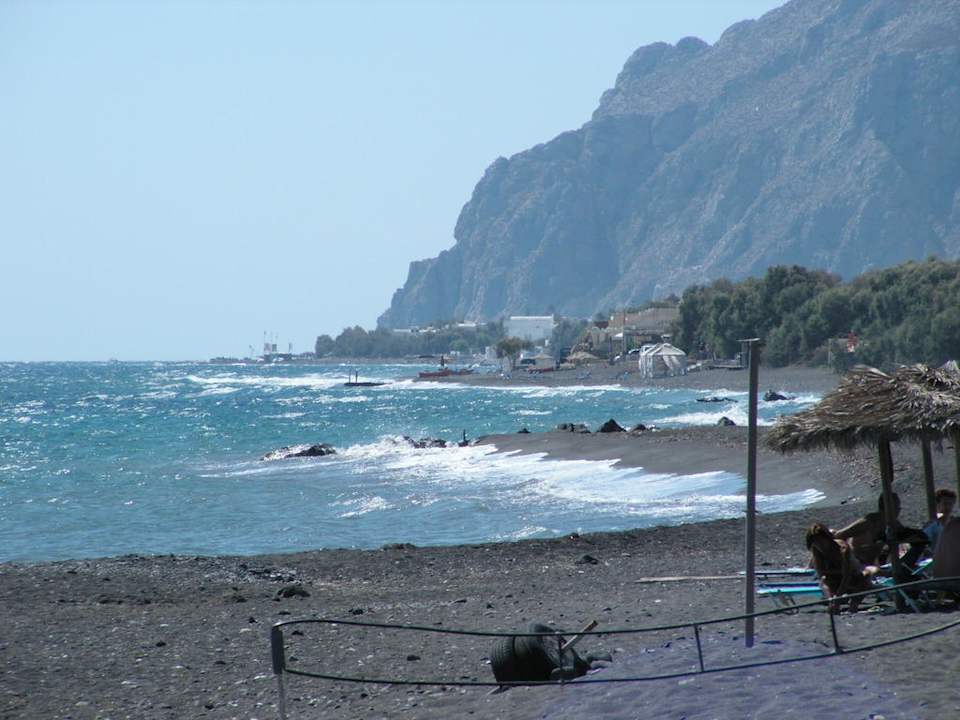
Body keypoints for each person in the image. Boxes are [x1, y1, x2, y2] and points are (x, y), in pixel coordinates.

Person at [834, 493, 928, 570]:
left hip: (873, 562)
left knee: (921, 540)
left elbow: (908, 535)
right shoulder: (869, 522)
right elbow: (839, 535)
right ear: (888, 507)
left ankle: (903, 567)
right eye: (897, 507)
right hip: (857, 564)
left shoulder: (893, 523)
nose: (899, 510)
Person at [806, 523, 874, 613]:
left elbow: (847, 575)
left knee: (866, 576)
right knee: (825, 581)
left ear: (828, 539)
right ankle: (835, 601)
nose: (820, 546)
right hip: (833, 580)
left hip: (853, 577)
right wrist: (831, 599)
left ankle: (854, 604)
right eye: (816, 544)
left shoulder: (842, 549)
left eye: (821, 542)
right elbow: (821, 576)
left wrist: (837, 598)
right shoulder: (817, 551)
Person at [923, 488, 957, 554]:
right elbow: (923, 543)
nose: (948, 507)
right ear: (938, 504)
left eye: (950, 504)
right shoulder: (932, 525)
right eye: (945, 504)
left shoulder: (955, 524)